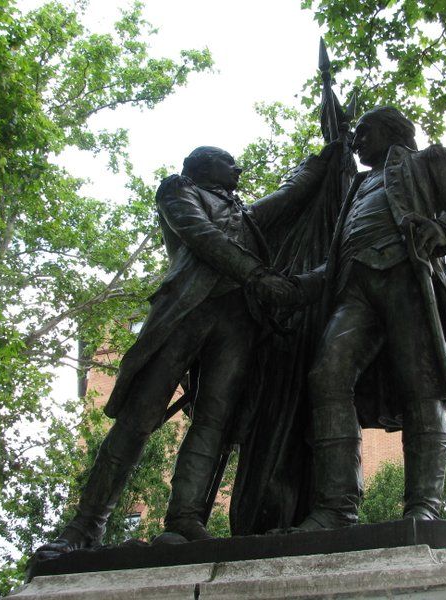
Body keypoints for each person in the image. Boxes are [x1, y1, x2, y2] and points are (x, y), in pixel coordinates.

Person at [38, 143, 336, 553]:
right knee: (138, 418)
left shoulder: (246, 216)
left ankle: (184, 520)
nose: (238, 168)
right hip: (185, 311)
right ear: (203, 165)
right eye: (228, 161)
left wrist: (322, 160)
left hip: (236, 323)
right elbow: (202, 236)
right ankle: (85, 526)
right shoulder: (178, 189)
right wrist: (257, 275)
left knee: (214, 422)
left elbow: (289, 196)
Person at [296, 106, 446, 530]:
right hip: (354, 287)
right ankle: (336, 507)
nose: (356, 140)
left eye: (364, 132)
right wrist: (297, 287)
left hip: (407, 275)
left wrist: (444, 231)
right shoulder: (357, 187)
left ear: (392, 130)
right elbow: (335, 255)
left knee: (421, 386)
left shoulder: (428, 161)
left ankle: (423, 506)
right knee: (326, 377)